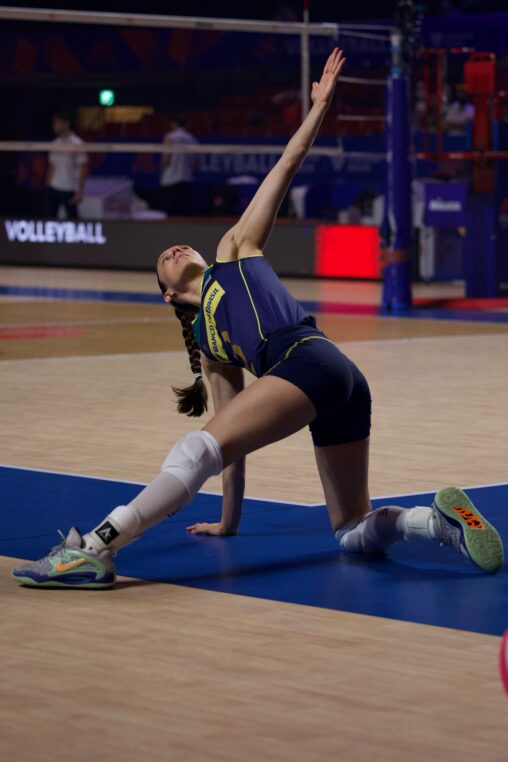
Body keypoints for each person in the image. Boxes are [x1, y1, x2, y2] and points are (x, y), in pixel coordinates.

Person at [12, 50, 503, 589]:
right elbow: (230, 447)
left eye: (179, 247)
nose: (173, 249)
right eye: (163, 261)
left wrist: (318, 108)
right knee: (350, 530)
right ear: (169, 295)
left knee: (190, 450)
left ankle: (95, 548)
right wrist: (229, 521)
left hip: (308, 359)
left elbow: (285, 166)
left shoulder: (233, 251)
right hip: (336, 381)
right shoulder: (209, 346)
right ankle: (436, 522)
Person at [44, 111, 88, 220]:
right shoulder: (55, 143)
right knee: (49, 220)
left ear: (66, 124)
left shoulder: (77, 143)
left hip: (69, 189)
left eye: (57, 122)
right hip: (53, 188)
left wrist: (80, 191)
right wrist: (48, 185)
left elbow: (83, 168)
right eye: (54, 122)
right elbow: (52, 166)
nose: (54, 125)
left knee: (73, 221)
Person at [160, 115, 197, 216]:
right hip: (186, 179)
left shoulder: (170, 137)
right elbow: (195, 163)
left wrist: (162, 171)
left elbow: (166, 159)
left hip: (170, 179)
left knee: (169, 214)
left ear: (174, 124)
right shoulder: (191, 139)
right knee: (183, 214)